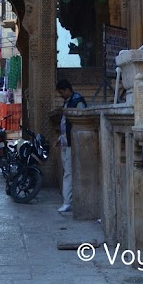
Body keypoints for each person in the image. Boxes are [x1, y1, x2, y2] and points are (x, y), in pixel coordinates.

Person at [55, 78, 86, 214]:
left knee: (68, 173)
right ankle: (68, 200)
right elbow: (64, 124)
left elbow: (82, 121)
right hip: (65, 142)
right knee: (67, 172)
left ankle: (67, 202)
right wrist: (60, 138)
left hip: (73, 144)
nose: (61, 95)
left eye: (62, 92)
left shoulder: (77, 101)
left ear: (67, 90)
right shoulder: (68, 101)